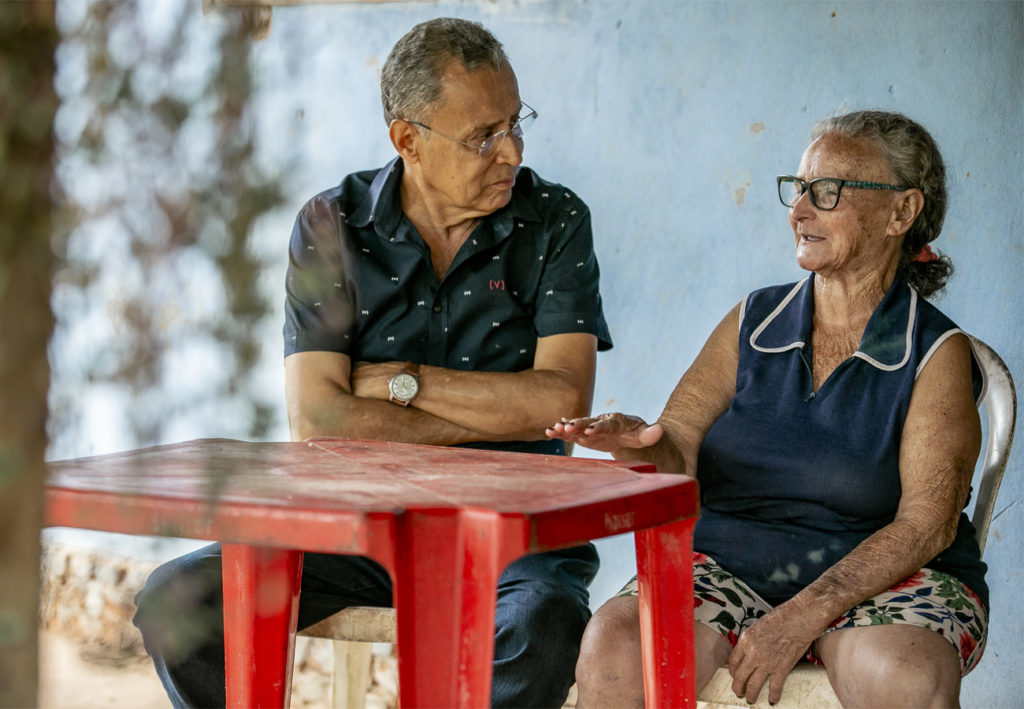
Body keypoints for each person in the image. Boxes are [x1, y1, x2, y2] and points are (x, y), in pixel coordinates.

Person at [133, 17, 612, 708]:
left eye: (516, 121)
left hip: (513, 540)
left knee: (546, 627)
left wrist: (399, 385)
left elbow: (558, 404)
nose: (511, 150)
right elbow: (319, 418)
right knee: (179, 601)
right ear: (407, 139)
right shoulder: (331, 226)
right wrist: (501, 413)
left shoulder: (557, 220)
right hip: (355, 533)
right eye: (483, 135)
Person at [547, 111, 987, 709]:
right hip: (735, 565)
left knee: (905, 676)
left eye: (827, 191)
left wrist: (805, 613)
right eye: (798, 188)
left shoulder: (935, 352)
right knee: (617, 644)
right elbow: (679, 446)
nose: (799, 210)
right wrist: (639, 445)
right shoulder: (754, 321)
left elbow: (926, 523)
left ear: (901, 213)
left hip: (885, 582)